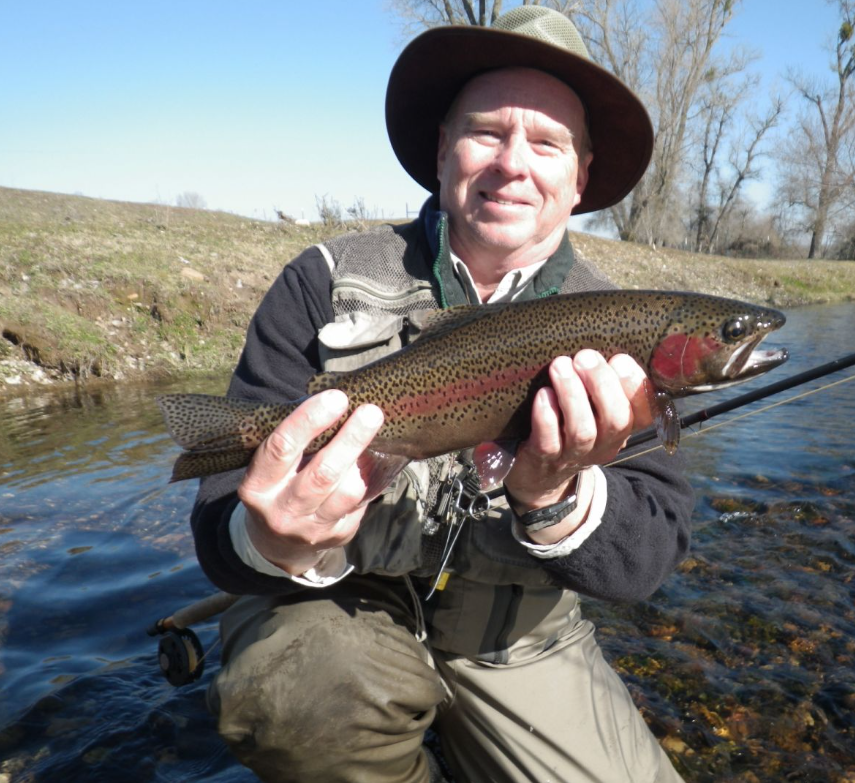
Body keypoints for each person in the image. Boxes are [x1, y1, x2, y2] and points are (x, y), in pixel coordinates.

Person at [192, 6, 693, 782]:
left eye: (547, 142)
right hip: (336, 607)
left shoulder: (620, 322)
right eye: (486, 131)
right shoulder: (324, 277)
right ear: (441, 148)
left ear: (581, 175)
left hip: (519, 634)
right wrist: (273, 538)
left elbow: (645, 560)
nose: (512, 164)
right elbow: (218, 529)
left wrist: (554, 496)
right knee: (299, 698)